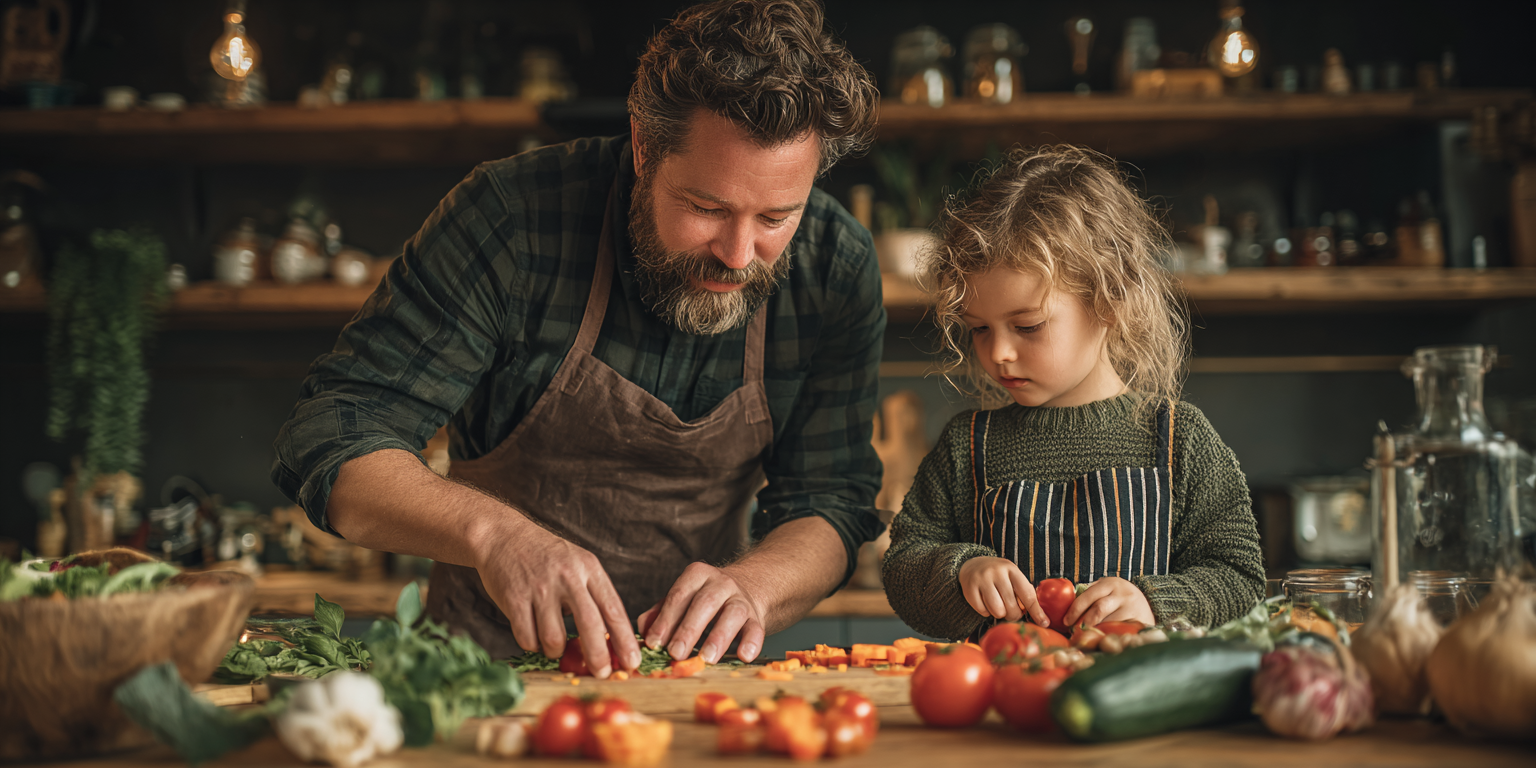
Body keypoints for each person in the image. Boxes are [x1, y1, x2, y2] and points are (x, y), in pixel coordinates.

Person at [272, 0, 885, 677]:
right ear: (645, 146)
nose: (738, 255)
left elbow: (831, 500)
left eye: (775, 217)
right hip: (480, 672)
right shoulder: (512, 219)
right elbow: (336, 433)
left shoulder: (834, 264)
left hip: (688, 677)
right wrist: (494, 535)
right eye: (706, 208)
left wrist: (755, 587)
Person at [882, 146, 1264, 641]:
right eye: (979, 329)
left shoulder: (1179, 438)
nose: (998, 352)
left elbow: (1239, 578)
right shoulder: (967, 445)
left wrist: (1153, 602)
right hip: (1006, 686)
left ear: (1110, 301)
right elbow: (903, 567)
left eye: (1027, 326)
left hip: (1138, 688)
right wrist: (961, 570)